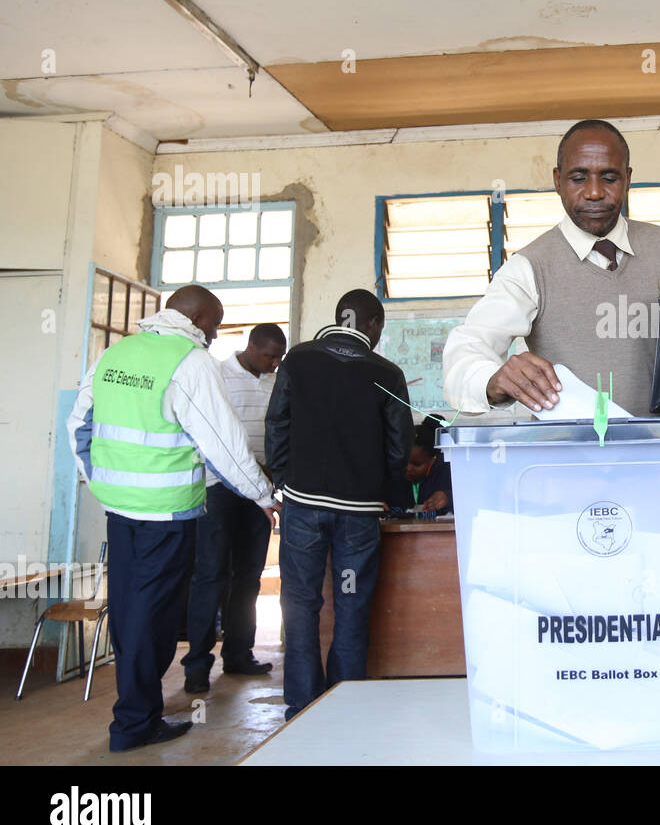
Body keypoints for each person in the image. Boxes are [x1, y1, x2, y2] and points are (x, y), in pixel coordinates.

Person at [66, 285, 276, 751]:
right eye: (215, 325)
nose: (215, 336)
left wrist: (99, 480)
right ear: (199, 319)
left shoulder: (117, 353)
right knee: (156, 618)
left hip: (120, 510)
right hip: (167, 512)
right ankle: (136, 723)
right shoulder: (192, 362)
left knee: (128, 611)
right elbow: (221, 443)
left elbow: (79, 423)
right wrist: (263, 495)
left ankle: (136, 714)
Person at [442, 119, 660, 420]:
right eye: (578, 178)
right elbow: (465, 353)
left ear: (628, 178)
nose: (594, 192)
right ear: (557, 180)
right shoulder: (529, 267)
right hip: (565, 460)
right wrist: (493, 379)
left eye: (609, 177)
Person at [266, 289, 412, 721]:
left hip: (302, 508)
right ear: (374, 324)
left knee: (299, 602)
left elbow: (277, 423)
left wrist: (284, 479)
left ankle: (301, 704)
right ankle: (346, 702)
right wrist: (384, 491)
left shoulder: (297, 360)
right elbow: (399, 445)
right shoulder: (388, 372)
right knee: (350, 604)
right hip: (357, 516)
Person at [181, 324, 287, 694]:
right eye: (269, 356)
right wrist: (248, 469)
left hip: (260, 491)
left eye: (279, 358)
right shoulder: (218, 375)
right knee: (210, 574)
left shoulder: (275, 383)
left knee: (248, 576)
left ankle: (239, 654)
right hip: (218, 488)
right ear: (250, 346)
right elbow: (211, 436)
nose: (274, 363)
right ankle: (196, 664)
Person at [403, 416, 453, 515]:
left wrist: (448, 498)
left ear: (434, 459)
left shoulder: (446, 474)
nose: (408, 468)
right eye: (404, 462)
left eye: (417, 464)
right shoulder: (394, 476)